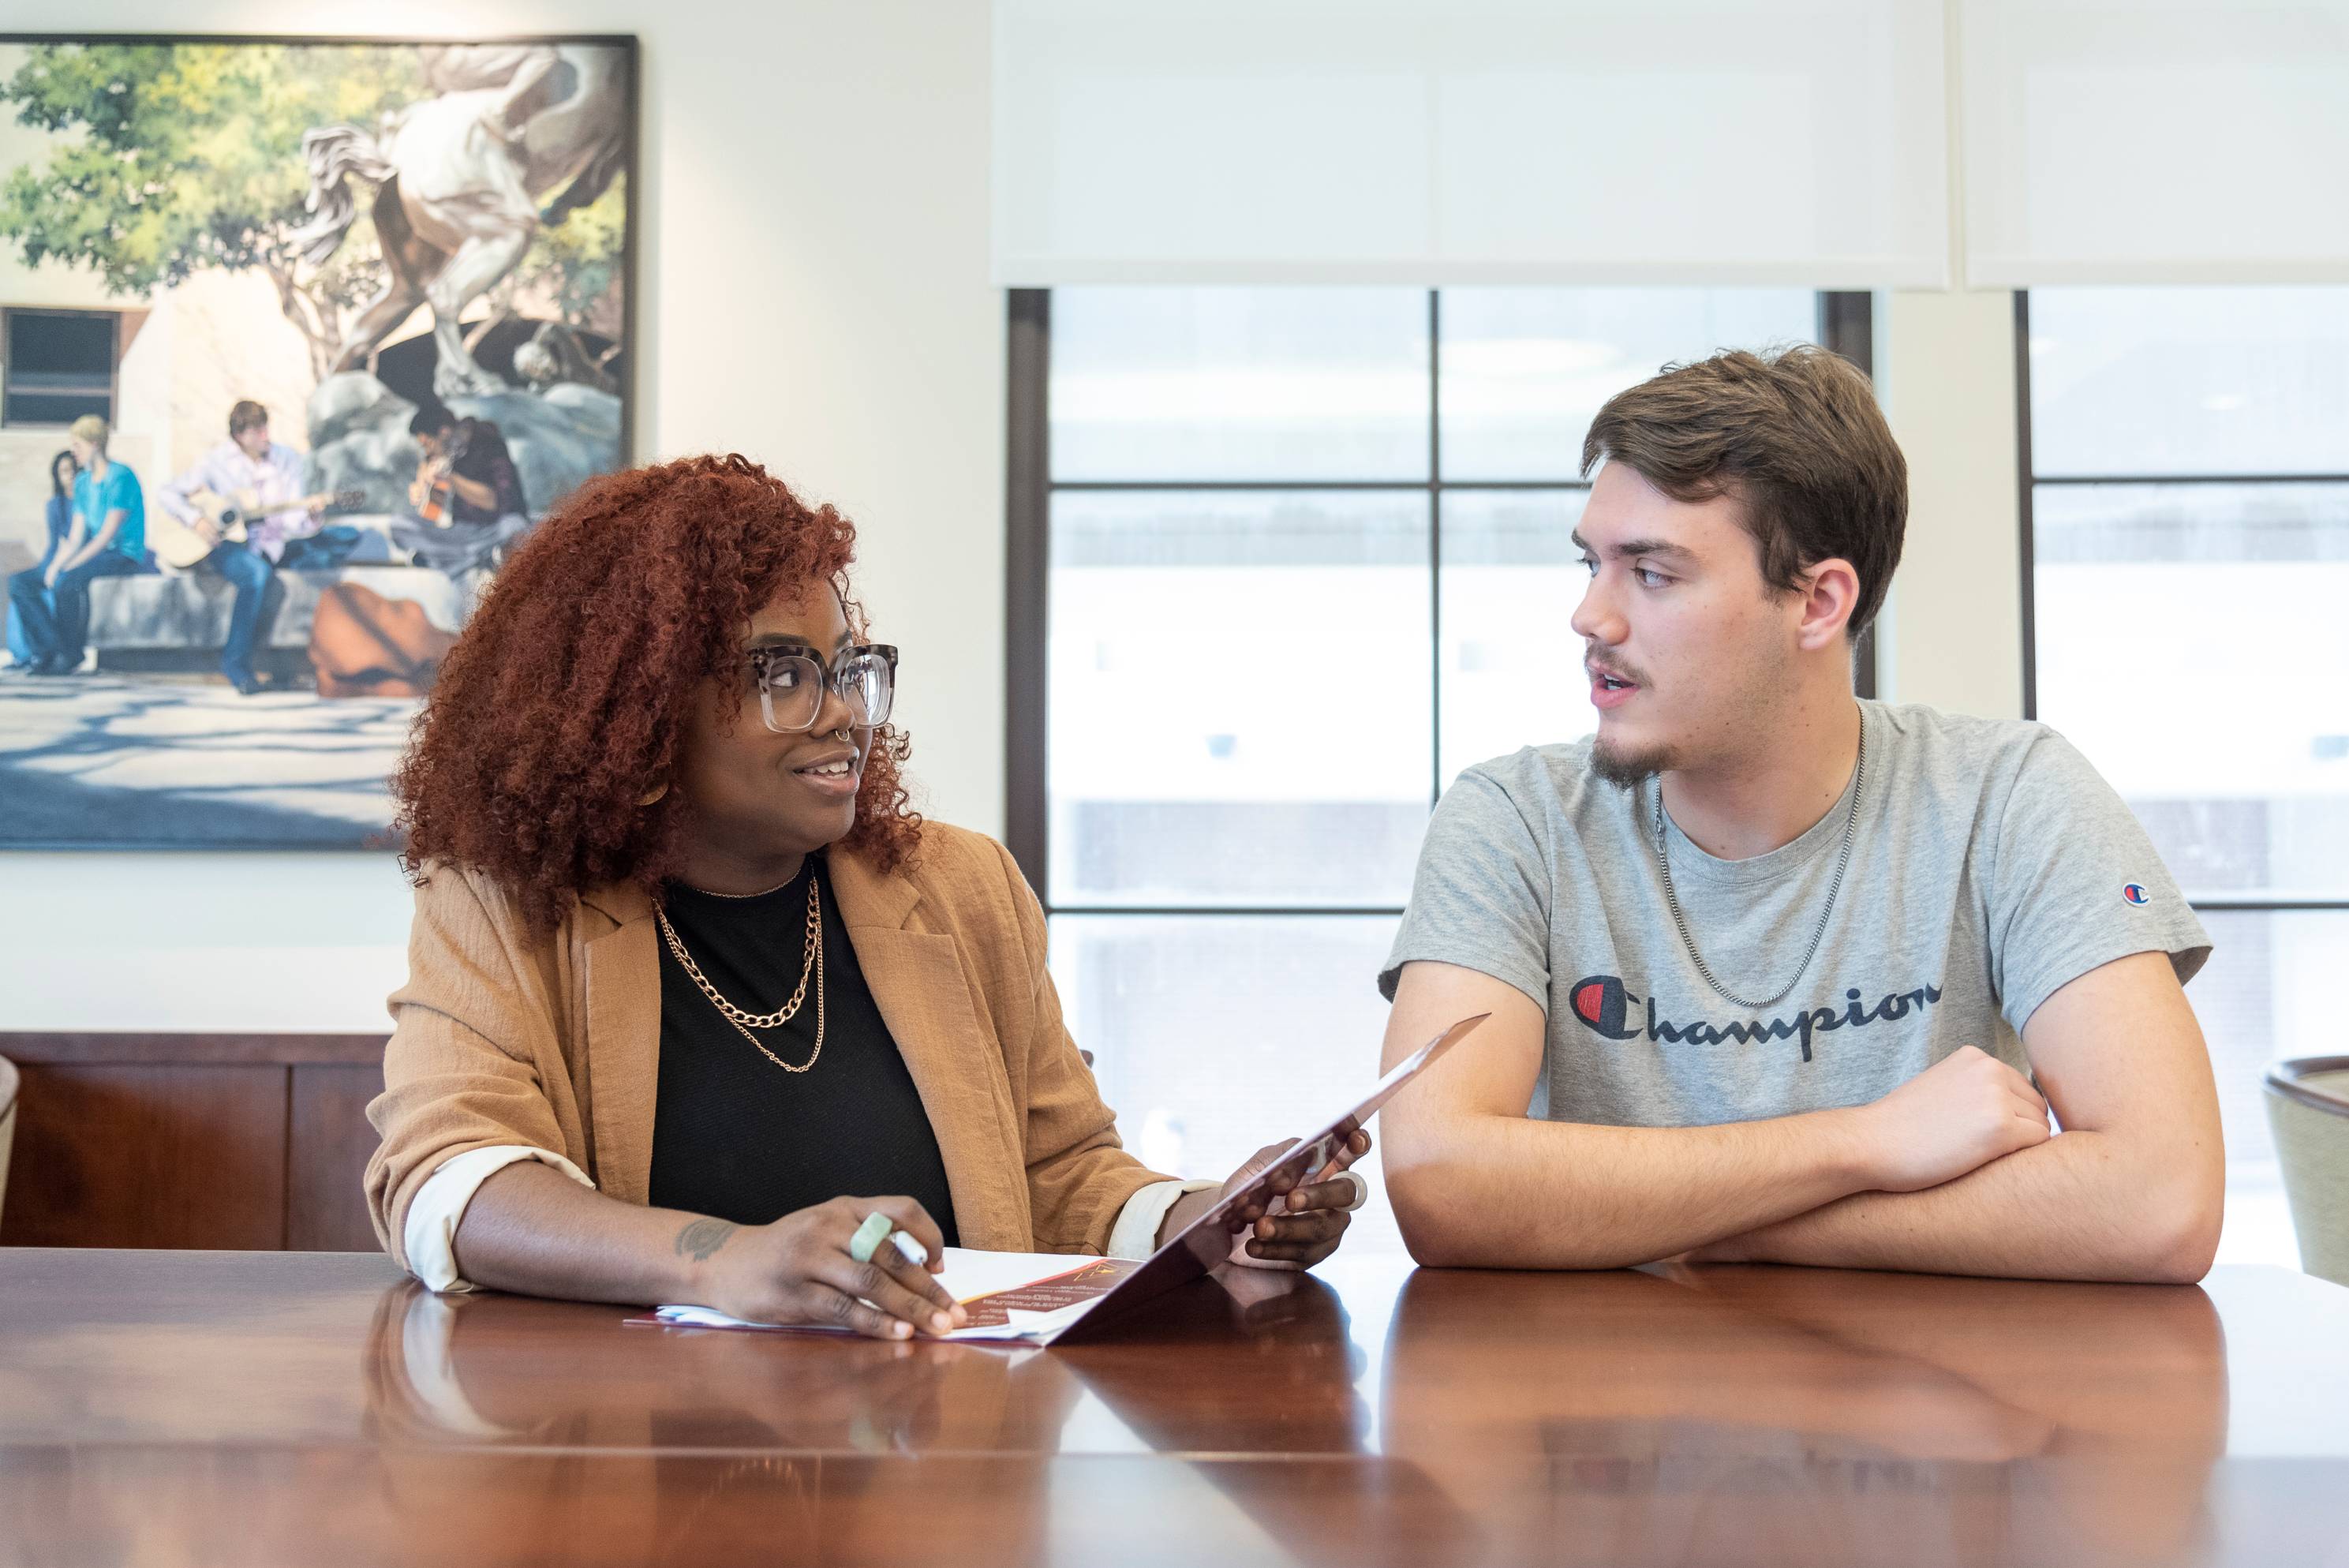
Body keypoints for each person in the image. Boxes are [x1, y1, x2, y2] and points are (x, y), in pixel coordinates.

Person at [365, 454, 1370, 1337]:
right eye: (785, 673)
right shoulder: (507, 901)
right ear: (640, 716)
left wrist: (1204, 1218)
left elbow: (1062, 1174)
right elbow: (450, 1184)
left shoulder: (961, 887)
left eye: (848, 667)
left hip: (939, 1461)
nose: (846, 712)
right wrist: (722, 1258)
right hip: (635, 1460)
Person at [1376, 346, 2224, 1284]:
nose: (1590, 617)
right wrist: (1863, 1144)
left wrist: (1701, 1226)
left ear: (1818, 601)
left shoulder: (2011, 794)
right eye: (1591, 565)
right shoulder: (1510, 819)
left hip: (1930, 1410)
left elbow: (2160, 1198)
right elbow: (1437, 1177)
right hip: (1602, 1410)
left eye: (1650, 574)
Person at [160, 400, 366, 694]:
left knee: (338, 540)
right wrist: (196, 521)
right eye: (256, 431)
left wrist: (312, 514)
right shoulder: (215, 462)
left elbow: (294, 522)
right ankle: (235, 663)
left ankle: (295, 663)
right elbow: (167, 494)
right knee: (256, 575)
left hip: (273, 543)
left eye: (265, 428)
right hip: (226, 543)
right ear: (239, 436)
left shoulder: (287, 460)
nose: (265, 435)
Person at [6, 415, 147, 677]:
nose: (74, 451)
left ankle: (71, 654)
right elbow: (76, 535)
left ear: (95, 444)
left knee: (67, 581)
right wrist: (56, 565)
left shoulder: (121, 476)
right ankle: (49, 650)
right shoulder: (83, 483)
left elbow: (106, 535)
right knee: (21, 583)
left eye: (78, 445)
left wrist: (67, 567)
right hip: (90, 551)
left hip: (121, 553)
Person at [390, 401, 530, 575]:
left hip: (497, 528)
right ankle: (470, 558)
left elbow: (496, 503)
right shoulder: (444, 454)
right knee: (399, 526)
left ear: (444, 433)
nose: (427, 452)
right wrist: (421, 485)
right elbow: (432, 510)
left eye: (428, 444)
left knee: (514, 527)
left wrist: (451, 479)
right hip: (465, 533)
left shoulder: (488, 445)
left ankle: (450, 559)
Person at [3, 448, 77, 670]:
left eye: (73, 470)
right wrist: (46, 567)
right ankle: (34, 653)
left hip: (78, 561)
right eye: (64, 471)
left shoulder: (87, 501)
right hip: (57, 560)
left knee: (60, 585)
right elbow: (54, 544)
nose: (70, 475)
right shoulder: (55, 505)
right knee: (18, 583)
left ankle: (52, 650)